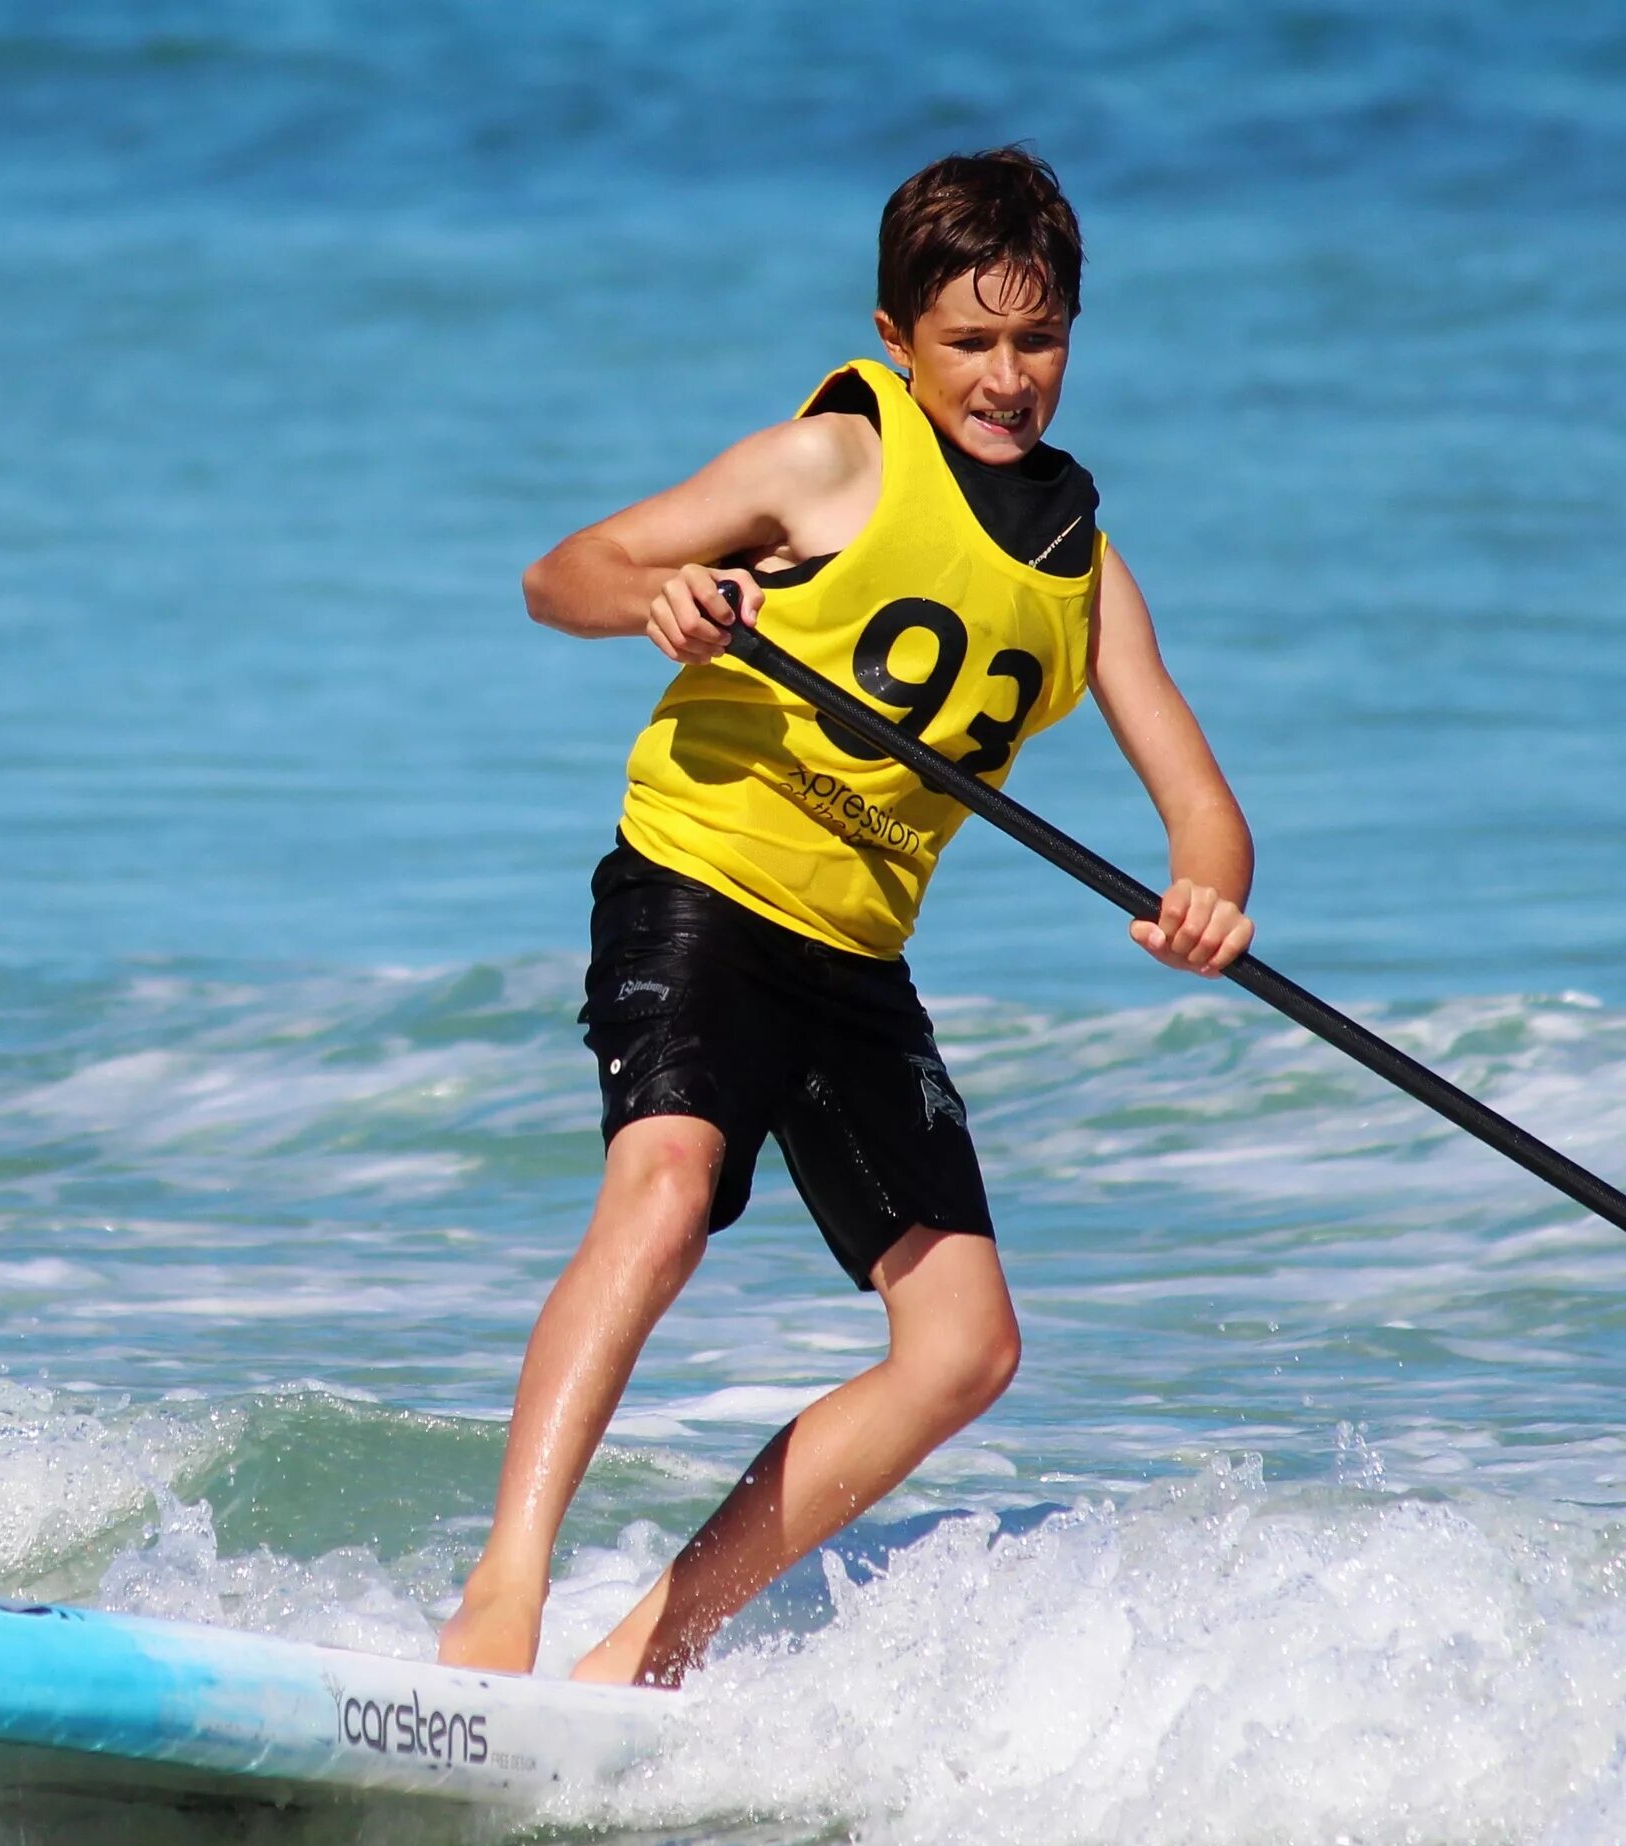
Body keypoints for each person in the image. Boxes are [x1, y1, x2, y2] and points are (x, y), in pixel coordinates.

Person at [438, 146, 1256, 1687]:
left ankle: (646, 1655)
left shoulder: (1082, 573)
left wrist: (1213, 890)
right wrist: (661, 600)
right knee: (666, 1191)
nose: (1008, 378)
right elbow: (564, 574)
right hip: (699, 883)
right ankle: (502, 1597)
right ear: (897, 338)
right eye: (970, 344)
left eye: (1039, 340)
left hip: (854, 956)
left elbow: (1199, 797)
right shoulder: (835, 461)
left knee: (965, 1347)